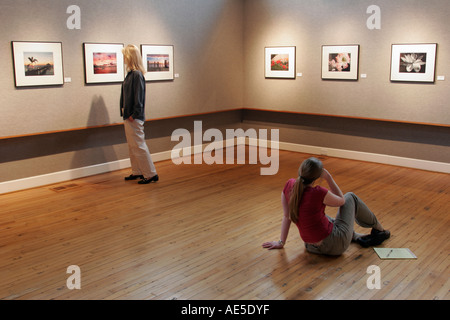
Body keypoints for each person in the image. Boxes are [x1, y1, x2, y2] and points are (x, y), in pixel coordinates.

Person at [262, 157, 390, 255]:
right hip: (334, 247)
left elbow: (287, 216)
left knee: (320, 217)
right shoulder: (318, 192)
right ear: (317, 176)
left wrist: (281, 242)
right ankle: (380, 230)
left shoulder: (289, 185)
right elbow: (342, 200)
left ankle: (355, 236)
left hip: (310, 246)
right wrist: (329, 178)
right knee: (350, 197)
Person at [120, 44, 159, 184]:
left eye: (125, 55)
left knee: (139, 144)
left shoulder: (137, 75)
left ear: (130, 57)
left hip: (133, 116)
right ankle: (137, 171)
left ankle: (150, 173)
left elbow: (139, 97)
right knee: (132, 145)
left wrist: (134, 114)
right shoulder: (131, 74)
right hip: (128, 115)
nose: (123, 58)